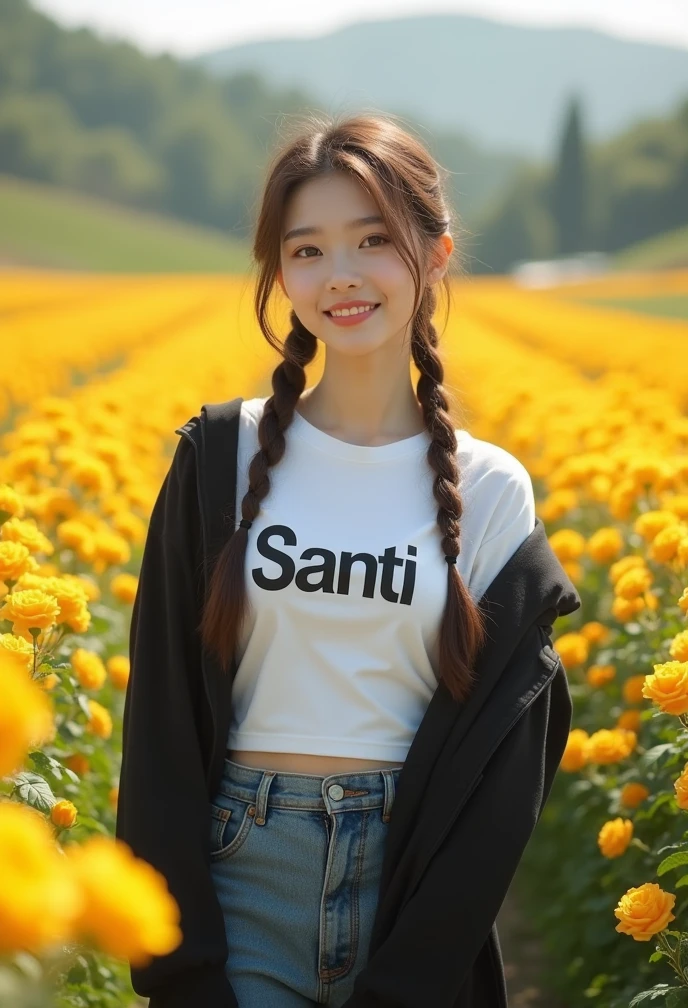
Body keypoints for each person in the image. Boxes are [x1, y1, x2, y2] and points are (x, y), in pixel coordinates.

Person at [116, 113, 581, 1008]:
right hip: (242, 872)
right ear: (279, 271)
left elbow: (503, 776)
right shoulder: (220, 457)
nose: (341, 276)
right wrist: (180, 968)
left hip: (410, 882)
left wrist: (416, 973)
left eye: (373, 240)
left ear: (435, 254)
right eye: (308, 250)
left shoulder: (491, 489)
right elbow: (161, 717)